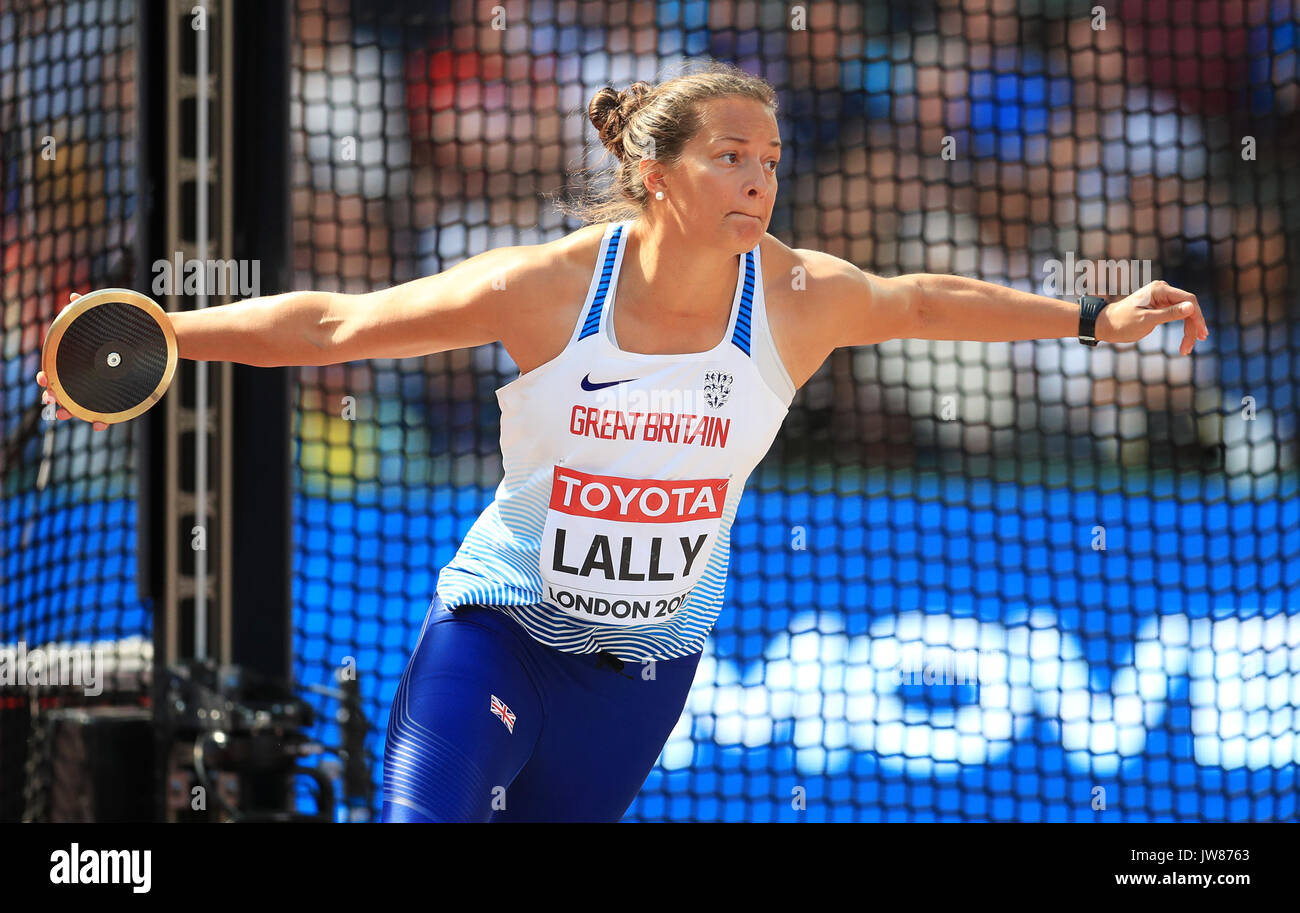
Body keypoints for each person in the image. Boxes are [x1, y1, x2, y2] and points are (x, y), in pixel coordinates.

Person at [36, 61, 1209, 822]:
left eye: (770, 160)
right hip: (495, 633)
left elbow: (919, 298)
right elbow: (345, 320)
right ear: (653, 174)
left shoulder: (798, 295)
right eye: (729, 156)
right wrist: (169, 330)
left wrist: (1089, 320)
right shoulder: (550, 289)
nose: (758, 179)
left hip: (646, 675)